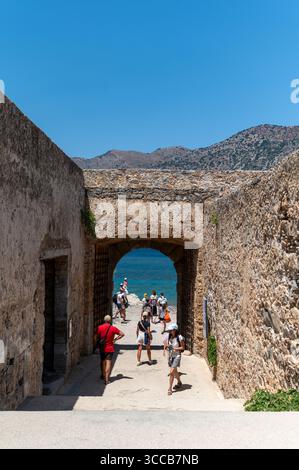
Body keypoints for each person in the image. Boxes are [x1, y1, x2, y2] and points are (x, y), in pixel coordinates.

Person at [97, 315, 124, 385]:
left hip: (102, 348)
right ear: (110, 321)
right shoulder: (113, 328)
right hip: (110, 348)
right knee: (108, 363)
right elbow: (122, 334)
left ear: (104, 320)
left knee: (103, 362)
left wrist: (98, 344)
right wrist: (114, 340)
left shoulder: (100, 327)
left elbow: (96, 336)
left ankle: (103, 375)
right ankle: (106, 379)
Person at [166, 323, 185, 396]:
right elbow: (170, 345)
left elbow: (183, 348)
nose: (170, 331)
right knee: (175, 371)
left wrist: (175, 348)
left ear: (175, 330)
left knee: (171, 372)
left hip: (177, 356)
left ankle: (170, 389)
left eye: (171, 330)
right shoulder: (170, 336)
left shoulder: (180, 337)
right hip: (171, 356)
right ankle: (179, 382)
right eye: (170, 330)